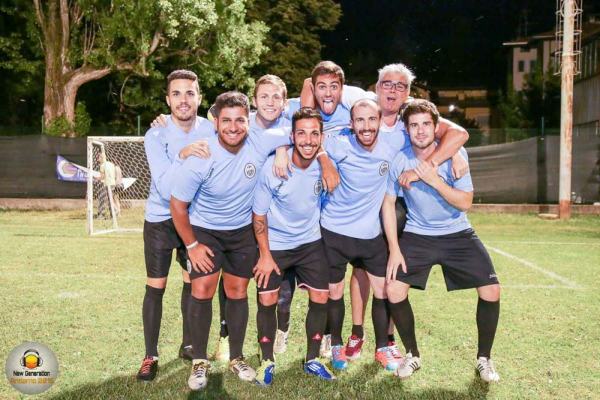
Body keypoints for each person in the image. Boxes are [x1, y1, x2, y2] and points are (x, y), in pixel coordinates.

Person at [170, 91, 291, 391]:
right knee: (202, 289)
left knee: (237, 292)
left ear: (249, 121)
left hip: (241, 232)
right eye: (226, 120)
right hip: (205, 232)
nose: (233, 127)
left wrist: (283, 150)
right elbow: (177, 206)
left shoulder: (259, 142)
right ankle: (200, 360)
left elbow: (300, 131)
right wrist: (192, 246)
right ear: (216, 122)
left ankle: (236, 357)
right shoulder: (201, 156)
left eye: (240, 120)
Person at [384, 99, 501, 383]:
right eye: (414, 125)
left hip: (457, 232)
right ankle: (412, 354)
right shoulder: (399, 159)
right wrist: (394, 249)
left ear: (436, 127)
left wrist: (434, 180)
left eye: (426, 124)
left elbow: (465, 203)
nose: (420, 130)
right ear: (406, 129)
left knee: (491, 290)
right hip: (418, 234)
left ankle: (484, 359)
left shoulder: (455, 155)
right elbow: (387, 204)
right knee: (393, 289)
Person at [136, 69, 213, 381]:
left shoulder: (210, 129)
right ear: (168, 99)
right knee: (156, 287)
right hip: (160, 219)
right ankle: (150, 355)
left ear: (199, 97)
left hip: (194, 219)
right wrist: (182, 154)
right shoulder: (156, 134)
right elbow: (167, 187)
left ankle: (189, 344)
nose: (184, 99)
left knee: (192, 283)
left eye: (189, 93)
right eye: (177, 93)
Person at [252, 107, 335, 385]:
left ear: (321, 137)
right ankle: (267, 360)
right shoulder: (274, 167)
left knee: (321, 296)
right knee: (267, 299)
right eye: (301, 133)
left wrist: (326, 161)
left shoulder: (324, 164)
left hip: (310, 242)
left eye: (314, 134)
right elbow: (259, 215)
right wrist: (265, 255)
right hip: (276, 244)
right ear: (292, 137)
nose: (308, 140)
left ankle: (312, 359)